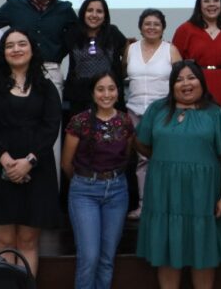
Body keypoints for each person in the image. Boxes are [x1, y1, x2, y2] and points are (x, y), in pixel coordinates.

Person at [135, 61, 221, 289]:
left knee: (203, 250)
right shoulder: (157, 110)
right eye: (179, 79)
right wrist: (167, 162)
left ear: (201, 81)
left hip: (203, 195)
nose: (186, 84)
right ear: (171, 85)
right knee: (166, 250)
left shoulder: (216, 113)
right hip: (164, 194)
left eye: (191, 78)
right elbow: (142, 143)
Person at [0, 30, 61, 275]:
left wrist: (29, 161)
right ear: (3, 52)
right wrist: (5, 160)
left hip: (36, 170)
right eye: (10, 45)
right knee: (3, 241)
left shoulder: (45, 87)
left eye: (22, 44)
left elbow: (51, 127)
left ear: (32, 49)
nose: (16, 49)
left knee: (28, 241)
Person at [62, 72, 134, 289]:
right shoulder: (80, 121)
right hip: (85, 192)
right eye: (100, 89)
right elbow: (66, 163)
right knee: (89, 256)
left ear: (118, 92)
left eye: (111, 89)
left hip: (117, 191)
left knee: (107, 258)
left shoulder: (125, 121)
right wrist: (85, 181)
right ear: (93, 94)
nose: (106, 94)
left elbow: (126, 157)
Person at [0, 0, 78, 103]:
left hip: (51, 69)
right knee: (19, 113)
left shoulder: (65, 9)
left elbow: (78, 35)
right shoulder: (14, 4)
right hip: (19, 69)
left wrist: (57, 53)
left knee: (52, 114)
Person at [123, 8, 181, 218]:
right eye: (147, 23)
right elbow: (122, 76)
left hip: (163, 112)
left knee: (165, 158)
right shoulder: (130, 49)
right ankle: (143, 205)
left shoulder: (171, 50)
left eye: (156, 24)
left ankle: (167, 204)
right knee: (141, 159)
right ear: (140, 27)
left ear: (163, 28)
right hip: (134, 110)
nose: (152, 27)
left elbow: (181, 81)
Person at [62, 0, 127, 119]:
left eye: (99, 11)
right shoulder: (73, 33)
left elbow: (128, 53)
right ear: (83, 13)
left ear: (105, 15)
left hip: (109, 96)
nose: (94, 15)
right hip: (79, 98)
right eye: (90, 10)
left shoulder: (113, 32)